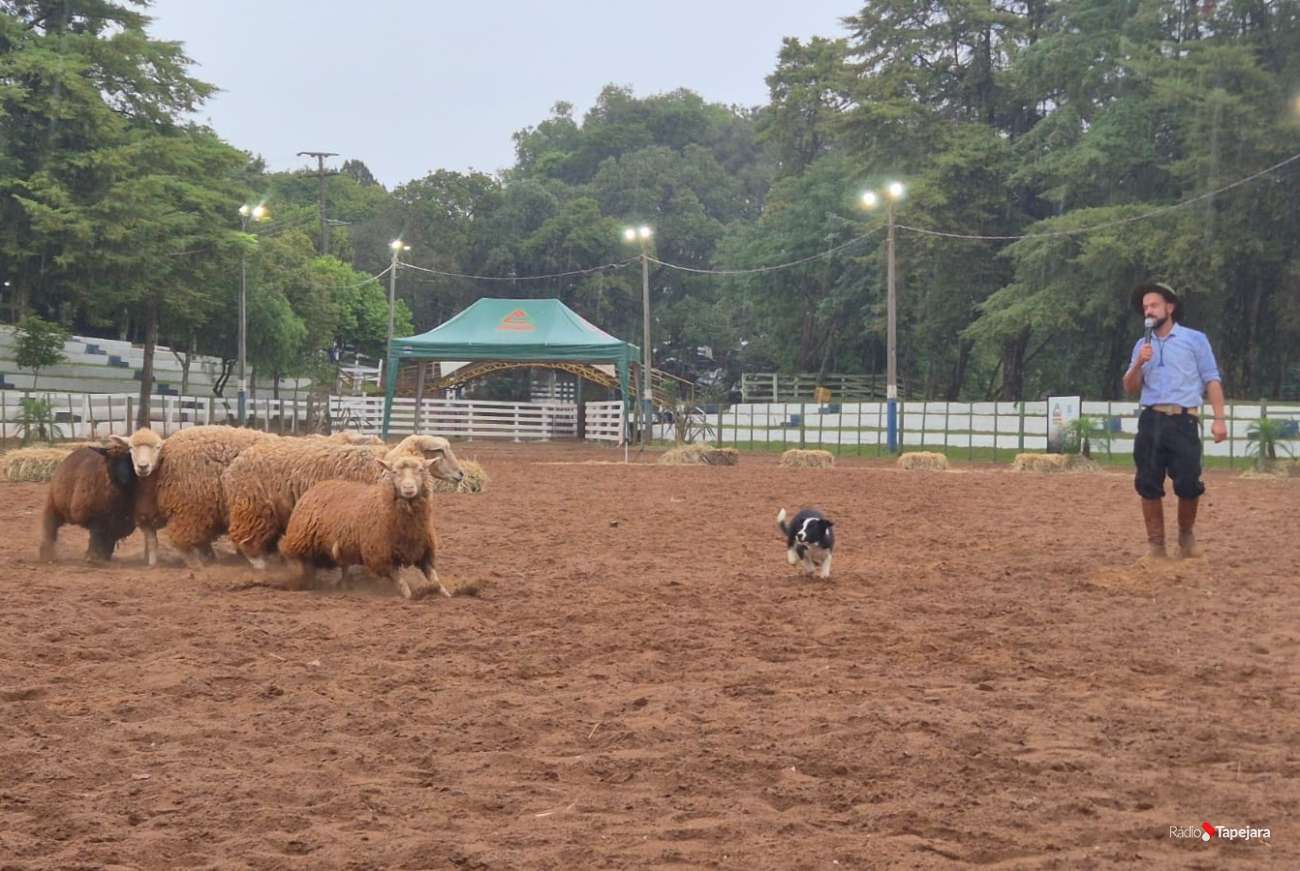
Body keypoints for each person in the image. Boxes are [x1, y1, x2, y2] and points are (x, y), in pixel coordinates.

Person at [1122, 282, 1227, 558]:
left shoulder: (1195, 340)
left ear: (1170, 307)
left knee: (1189, 482)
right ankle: (1156, 545)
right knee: (1147, 481)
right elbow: (1129, 387)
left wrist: (1219, 419)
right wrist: (1138, 364)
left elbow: (1211, 380)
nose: (1148, 311)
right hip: (1151, 419)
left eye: (1153, 305)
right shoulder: (1141, 345)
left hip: (1184, 420)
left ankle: (1186, 535)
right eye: (1145, 307)